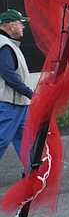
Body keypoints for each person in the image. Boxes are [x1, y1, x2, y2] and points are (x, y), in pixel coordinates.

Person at [0, 9, 33, 164]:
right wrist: (28, 92)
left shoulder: (10, 44)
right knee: (2, 140)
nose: (23, 27)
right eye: (21, 23)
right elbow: (8, 74)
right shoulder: (4, 45)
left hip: (19, 104)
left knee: (26, 141)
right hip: (9, 104)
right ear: (12, 25)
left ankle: (32, 174)